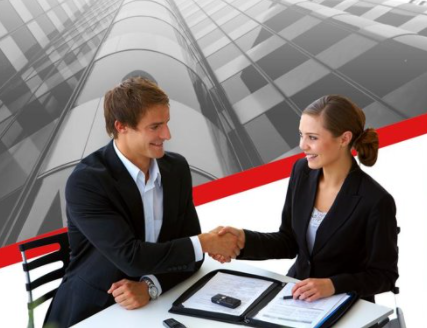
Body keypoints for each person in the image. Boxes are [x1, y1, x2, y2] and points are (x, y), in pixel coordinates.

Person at [44, 77, 241, 328]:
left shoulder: (176, 169)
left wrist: (150, 287)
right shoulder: (87, 182)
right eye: (155, 126)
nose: (167, 135)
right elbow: (131, 256)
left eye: (167, 123)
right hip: (93, 310)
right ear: (122, 126)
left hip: (153, 307)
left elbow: (191, 254)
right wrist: (206, 242)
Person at [213, 95, 398, 303]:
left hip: (347, 305)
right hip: (297, 296)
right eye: (301, 135)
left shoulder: (375, 200)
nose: (302, 145)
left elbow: (384, 276)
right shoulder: (301, 171)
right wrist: (243, 240)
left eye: (313, 137)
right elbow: (288, 242)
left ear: (344, 139)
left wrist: (333, 285)